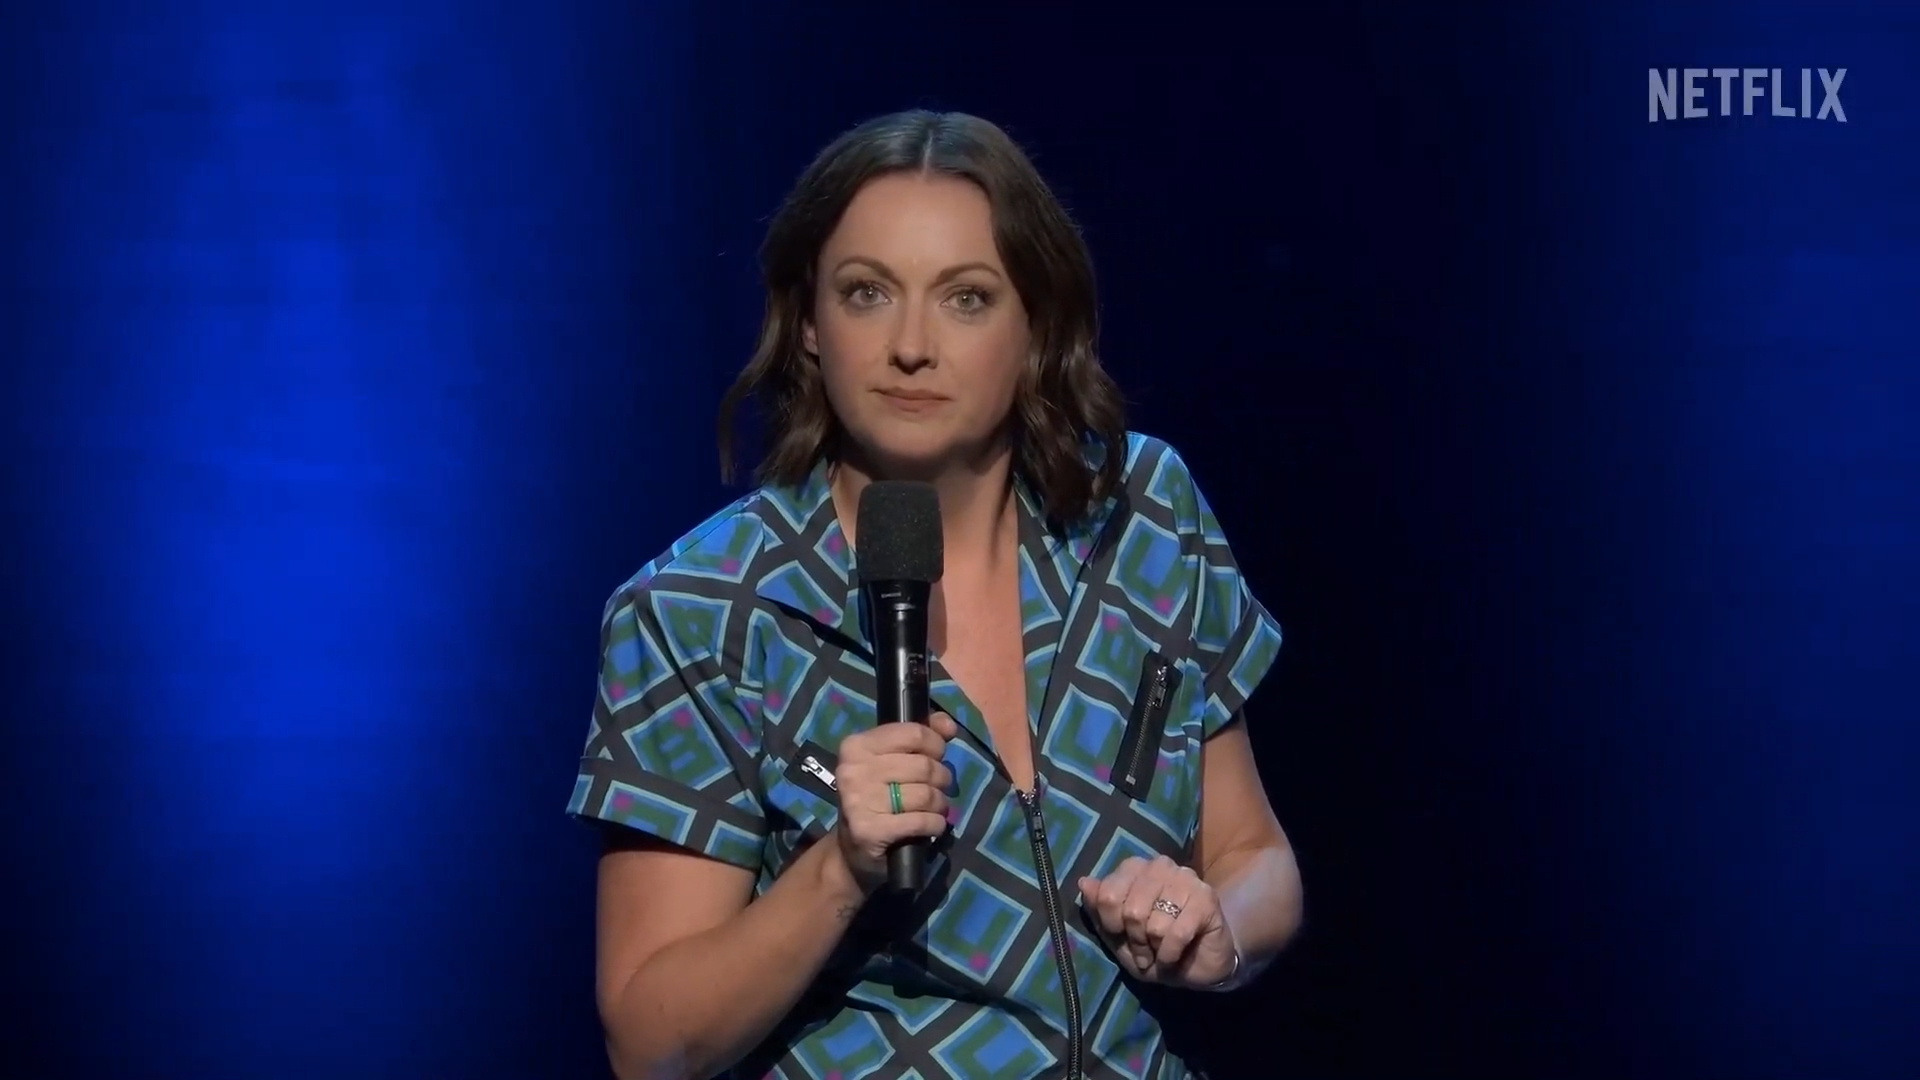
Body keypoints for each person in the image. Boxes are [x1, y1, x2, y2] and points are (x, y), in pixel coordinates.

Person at [566, 109, 1302, 1080]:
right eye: (867, 293)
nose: (910, 346)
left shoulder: (1144, 516)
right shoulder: (701, 612)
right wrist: (838, 870)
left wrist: (1218, 932)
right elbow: (650, 1042)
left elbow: (1253, 855)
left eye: (966, 298)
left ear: (1036, 324)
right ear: (810, 322)